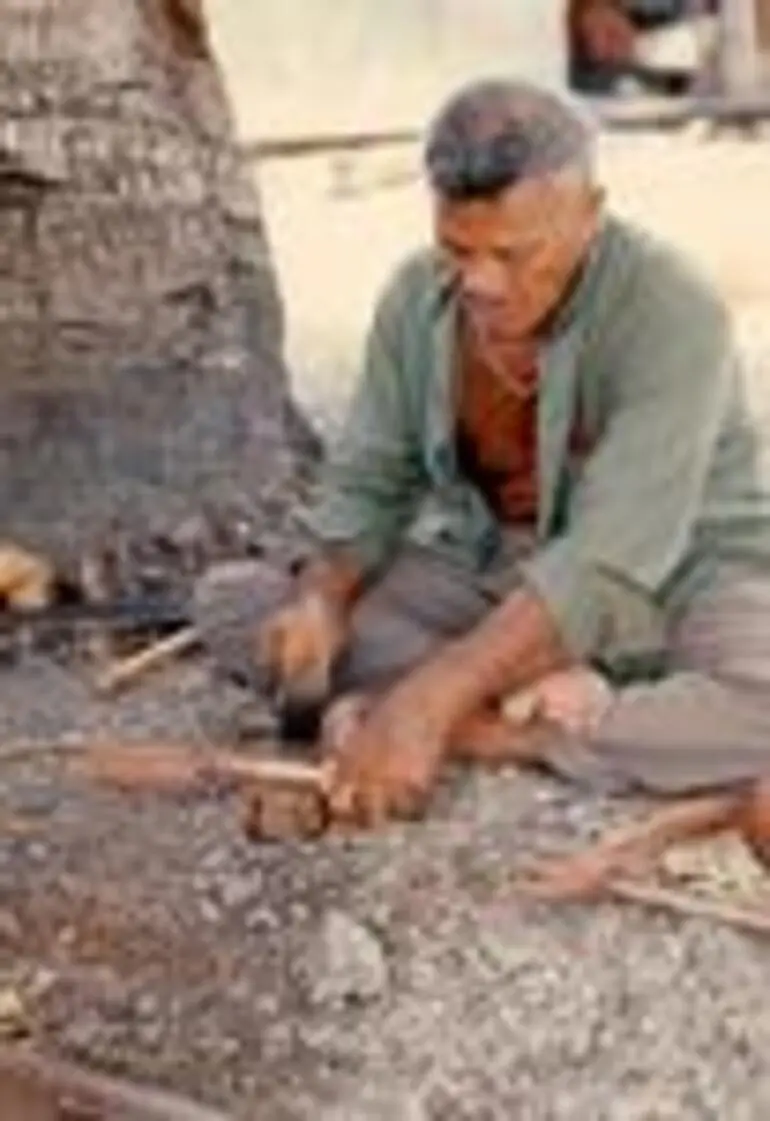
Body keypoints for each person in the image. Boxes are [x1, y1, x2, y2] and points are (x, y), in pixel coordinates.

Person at [195, 77, 770, 832]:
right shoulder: (416, 297)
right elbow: (370, 481)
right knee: (238, 604)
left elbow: (610, 557)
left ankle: (500, 731)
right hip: (497, 570)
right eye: (457, 249)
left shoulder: (673, 306)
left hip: (676, 576)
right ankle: (577, 708)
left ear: (589, 215)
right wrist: (324, 600)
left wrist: (432, 702)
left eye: (513, 253)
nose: (482, 283)